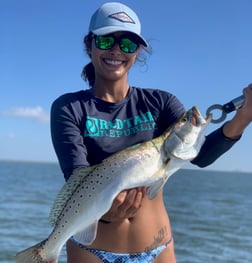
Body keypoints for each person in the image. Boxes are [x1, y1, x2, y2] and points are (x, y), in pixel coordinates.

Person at [50, 2, 252, 263]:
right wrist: (105, 214)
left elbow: (200, 156)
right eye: (105, 41)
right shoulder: (69, 108)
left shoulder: (161, 102)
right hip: (91, 252)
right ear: (89, 45)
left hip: (157, 249)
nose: (116, 51)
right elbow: (76, 178)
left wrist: (244, 117)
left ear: (138, 52)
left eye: (127, 44)